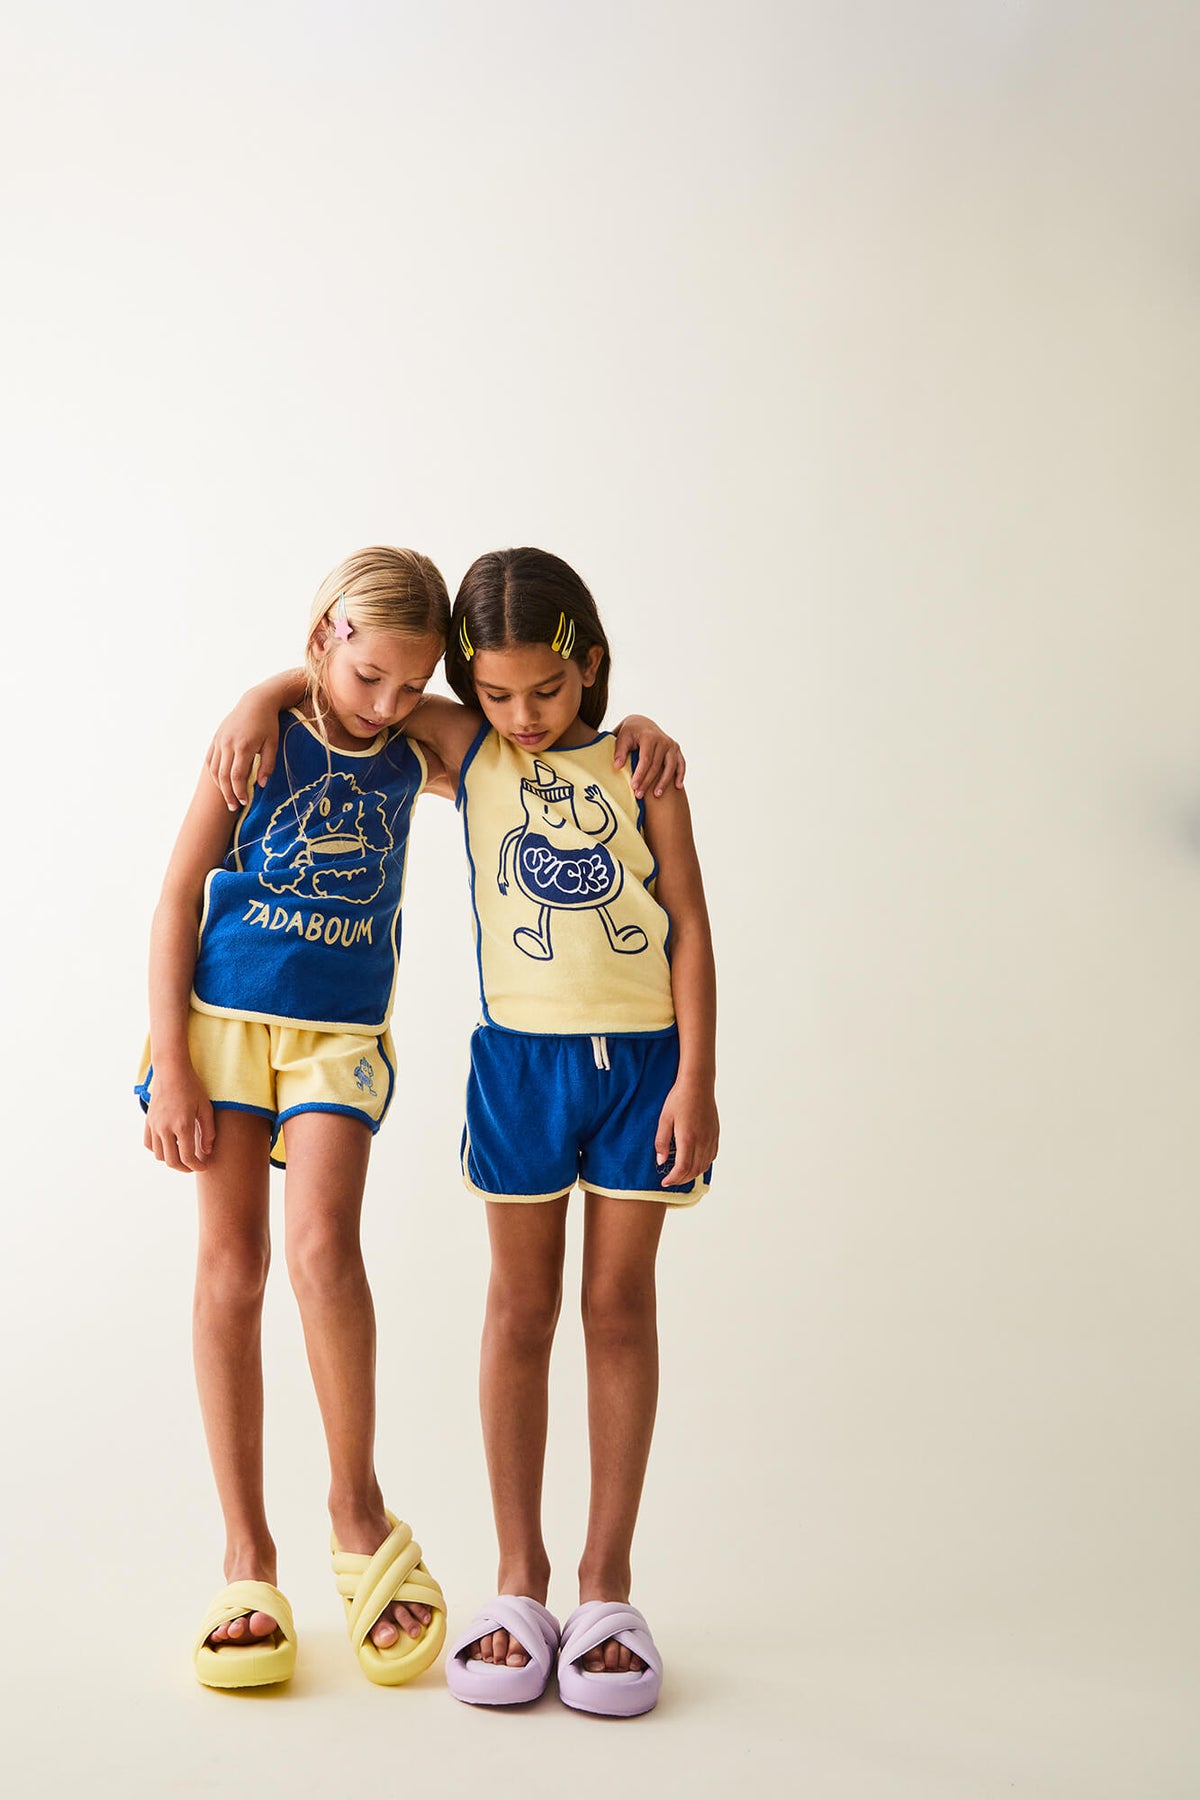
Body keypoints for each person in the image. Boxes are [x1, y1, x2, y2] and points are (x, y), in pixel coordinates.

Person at [171, 548, 685, 1694]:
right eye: (491, 694)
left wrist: (637, 722)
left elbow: (671, 899)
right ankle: (304, 1562)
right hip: (318, 1039)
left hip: (496, 1053)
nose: (393, 703)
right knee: (261, 1273)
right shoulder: (361, 741)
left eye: (414, 688)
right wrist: (261, 691)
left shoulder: (530, 756)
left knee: (363, 1261)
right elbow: (335, 708)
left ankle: (495, 1554)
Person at [137, 545, 454, 1690]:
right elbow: (178, 896)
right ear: (325, 635)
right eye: (369, 676)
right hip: (221, 1023)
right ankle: (245, 1554)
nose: (389, 703)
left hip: (338, 1036)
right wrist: (173, 1060)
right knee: (233, 1267)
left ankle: (356, 1510)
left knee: (324, 1250)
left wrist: (276, 679)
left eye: (413, 684)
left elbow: (519, 732)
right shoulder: (256, 743)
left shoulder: (417, 748)